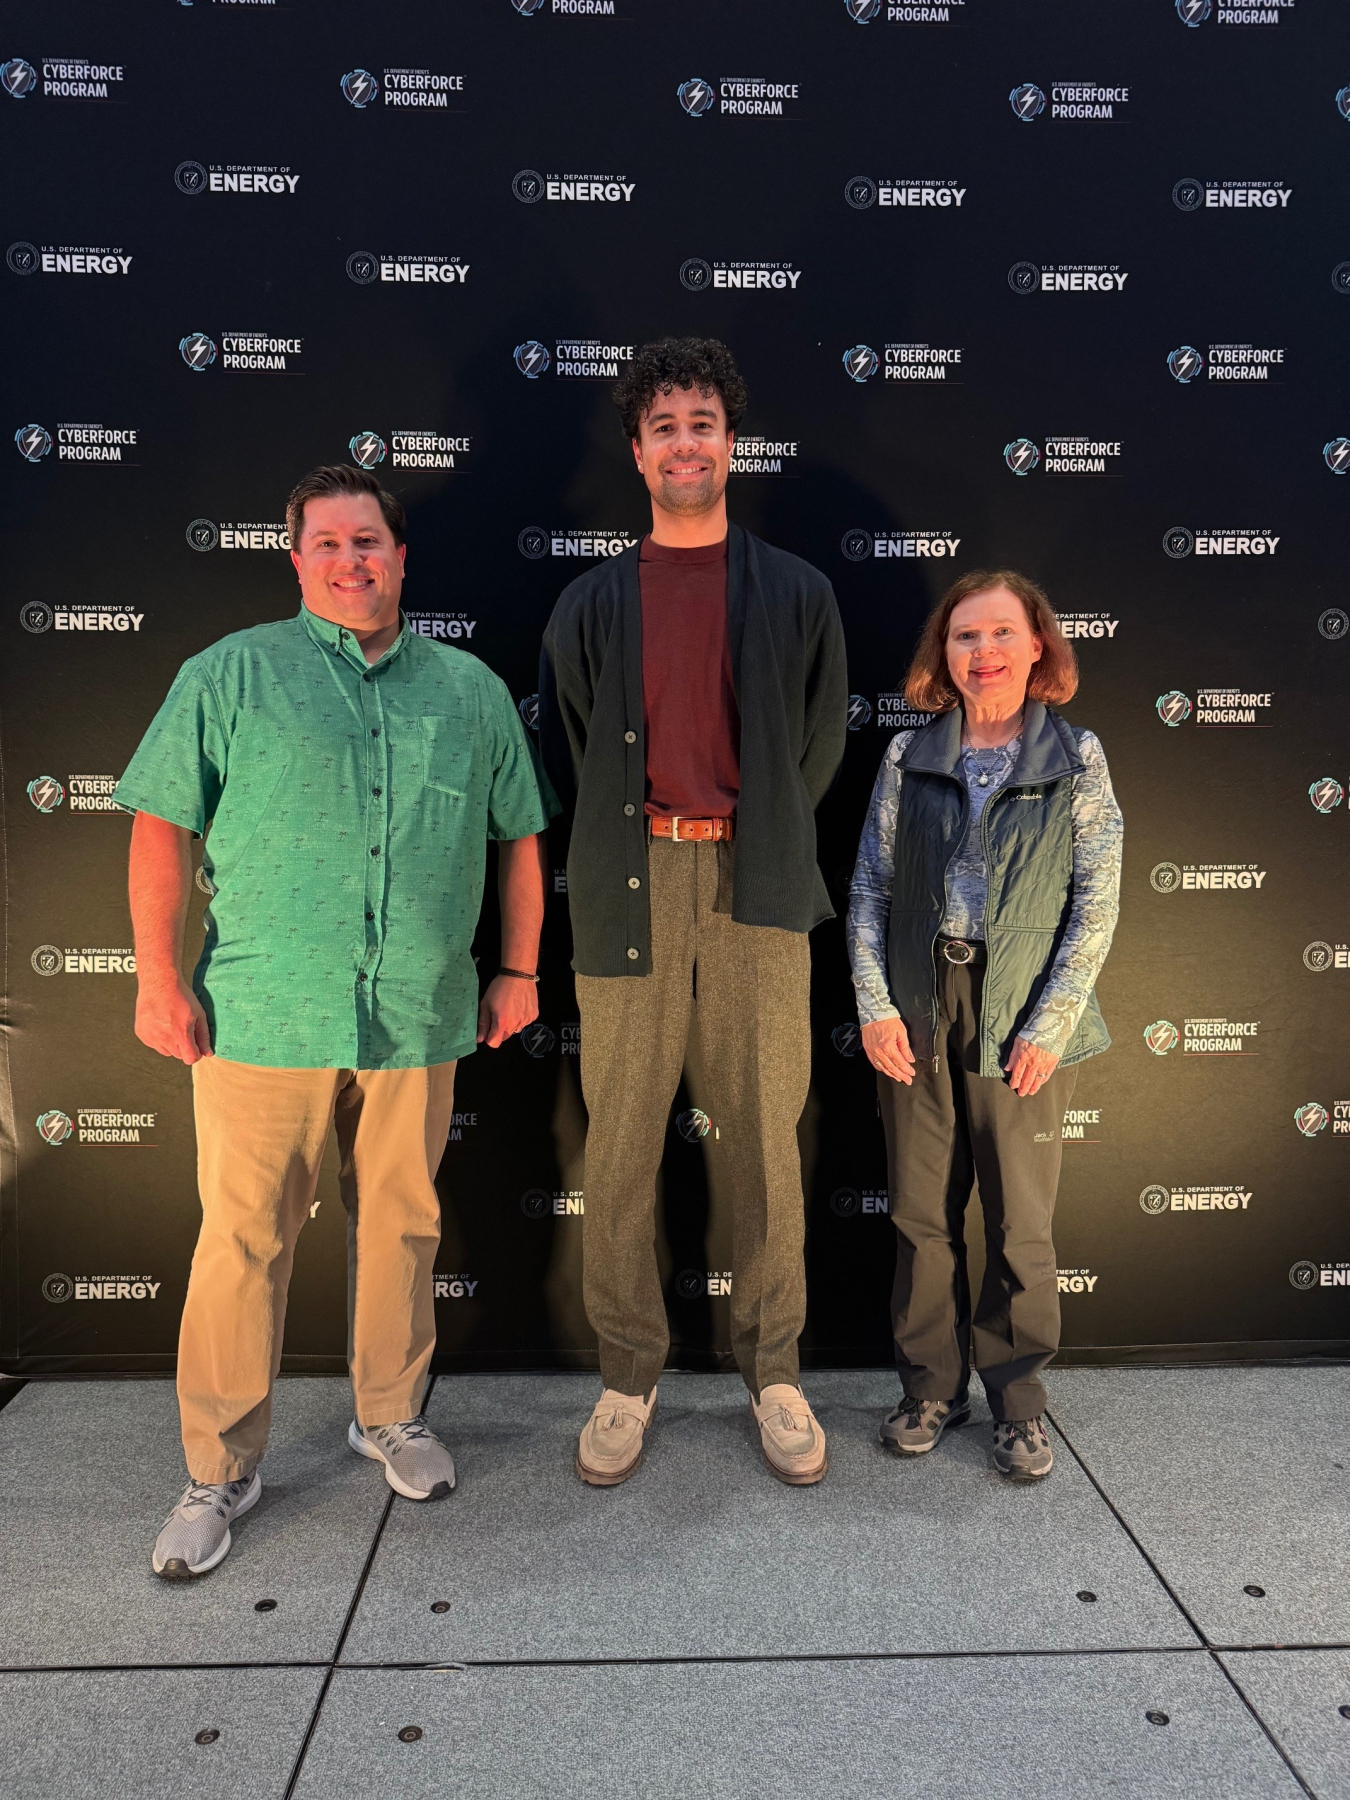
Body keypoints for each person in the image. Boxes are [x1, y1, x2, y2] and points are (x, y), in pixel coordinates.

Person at [117, 464, 555, 1579]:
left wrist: (518, 968)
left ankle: (389, 1416)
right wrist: (155, 980)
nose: (352, 560)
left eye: (370, 541)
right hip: (261, 1016)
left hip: (415, 1014)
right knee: (244, 1240)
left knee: (404, 1225)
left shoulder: (470, 693)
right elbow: (161, 827)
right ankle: (218, 1469)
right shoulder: (229, 676)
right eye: (328, 543)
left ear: (402, 560)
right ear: (296, 559)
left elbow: (518, 842)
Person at [539, 337, 847, 1487]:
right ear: (638, 451)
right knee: (618, 1143)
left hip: (759, 886)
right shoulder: (589, 602)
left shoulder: (800, 593)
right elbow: (576, 743)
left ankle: (774, 1368)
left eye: (703, 421)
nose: (685, 442)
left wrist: (748, 827)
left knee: (768, 1135)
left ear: (732, 442)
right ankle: (629, 1375)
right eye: (664, 424)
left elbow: (813, 745)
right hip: (633, 882)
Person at [847, 570, 1122, 1481]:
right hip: (922, 1002)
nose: (984, 652)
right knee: (923, 1214)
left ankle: (1018, 1404)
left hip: (1024, 1008)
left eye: (1002, 633)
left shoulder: (1075, 757)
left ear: (1038, 645)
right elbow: (872, 889)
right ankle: (930, 1387)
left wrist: (1053, 1022)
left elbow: (1096, 904)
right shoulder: (907, 756)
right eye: (965, 637)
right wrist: (877, 1004)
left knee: (1019, 1221)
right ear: (945, 654)